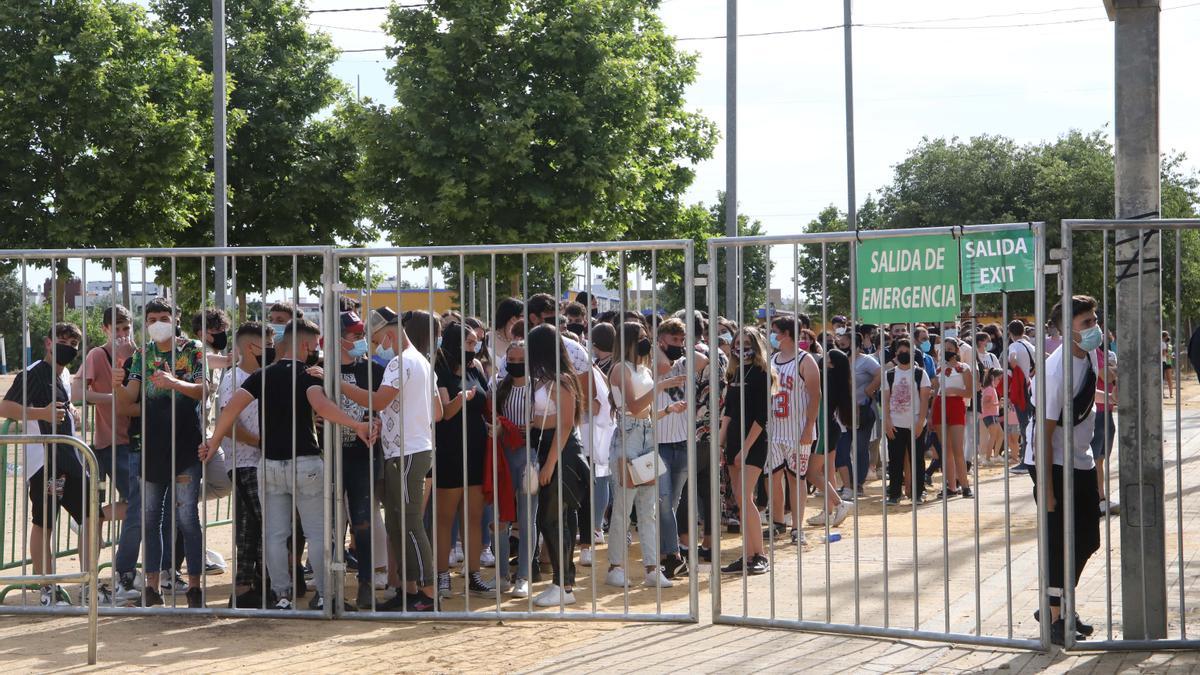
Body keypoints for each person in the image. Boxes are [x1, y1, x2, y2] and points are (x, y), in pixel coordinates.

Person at [200, 318, 377, 611]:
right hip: (306, 462)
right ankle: (325, 595)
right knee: (317, 535)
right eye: (316, 344)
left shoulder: (261, 375)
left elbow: (231, 408)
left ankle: (281, 595)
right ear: (307, 345)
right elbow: (321, 406)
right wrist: (356, 424)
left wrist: (213, 443)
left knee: (274, 535)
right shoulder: (309, 375)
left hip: (268, 464)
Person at [1, 323, 106, 606]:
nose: (68, 346)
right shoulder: (34, 373)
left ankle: (87, 583)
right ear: (48, 342)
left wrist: (72, 412)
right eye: (62, 340)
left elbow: (62, 408)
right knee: (44, 523)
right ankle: (47, 589)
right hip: (45, 463)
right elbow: (5, 407)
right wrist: (40, 412)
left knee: (92, 517)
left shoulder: (65, 374)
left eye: (73, 342)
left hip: (71, 460)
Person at [342, 316, 442, 612]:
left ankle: (427, 594)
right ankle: (409, 591)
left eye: (376, 340)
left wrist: (336, 383)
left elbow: (378, 400)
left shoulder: (401, 362)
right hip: (411, 448)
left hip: (407, 452)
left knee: (409, 524)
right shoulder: (422, 361)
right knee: (399, 524)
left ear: (388, 334)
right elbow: (435, 411)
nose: (375, 346)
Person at [113, 298, 208, 607]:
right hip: (152, 448)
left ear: (175, 318)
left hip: (185, 446)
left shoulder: (192, 349)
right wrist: (117, 383)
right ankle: (151, 588)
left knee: (186, 518)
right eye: (152, 318)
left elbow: (203, 389)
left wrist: (173, 381)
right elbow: (128, 400)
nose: (157, 323)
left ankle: (194, 586)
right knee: (150, 518)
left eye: (163, 317)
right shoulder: (143, 354)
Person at [1027, 295, 1103, 646]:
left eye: (1094, 320)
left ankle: (1056, 602)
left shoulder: (1087, 354)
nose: (1094, 328)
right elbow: (1044, 431)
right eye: (1086, 323)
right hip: (1051, 461)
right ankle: (1057, 619)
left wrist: (1108, 398)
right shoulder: (1055, 370)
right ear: (1066, 331)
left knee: (1088, 538)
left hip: (1079, 456)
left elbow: (1082, 400)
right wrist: (1048, 488)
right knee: (1059, 541)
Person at [606, 322, 684, 587]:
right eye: (640, 337)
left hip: (647, 434)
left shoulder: (644, 368)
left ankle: (652, 568)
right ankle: (615, 566)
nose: (645, 341)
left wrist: (667, 411)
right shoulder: (620, 368)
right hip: (627, 437)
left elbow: (646, 412)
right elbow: (633, 405)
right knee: (623, 507)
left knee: (649, 508)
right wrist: (662, 386)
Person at [80, 305, 143, 603]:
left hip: (138, 440)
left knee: (144, 505)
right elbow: (79, 391)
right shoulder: (97, 355)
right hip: (110, 443)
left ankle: (99, 515)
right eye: (116, 328)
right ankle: (121, 575)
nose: (121, 334)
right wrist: (115, 398)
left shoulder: (142, 354)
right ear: (105, 329)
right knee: (140, 504)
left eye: (125, 328)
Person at [525, 324, 591, 607]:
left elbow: (566, 424)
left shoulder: (561, 380)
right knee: (552, 520)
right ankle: (563, 583)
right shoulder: (547, 379)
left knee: (555, 520)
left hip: (561, 453)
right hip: (550, 449)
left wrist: (549, 464)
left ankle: (563, 584)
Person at [432, 322, 494, 599]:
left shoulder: (476, 368)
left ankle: (474, 575)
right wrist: (461, 399)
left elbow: (486, 401)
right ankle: (442, 575)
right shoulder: (439, 370)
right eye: (469, 343)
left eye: (476, 343)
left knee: (474, 516)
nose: (475, 347)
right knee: (445, 518)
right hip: (449, 450)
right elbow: (444, 413)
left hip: (477, 448)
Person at [331, 311, 388, 608]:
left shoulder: (374, 371)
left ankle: (366, 583)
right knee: (329, 523)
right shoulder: (319, 369)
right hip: (326, 457)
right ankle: (328, 589)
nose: (360, 341)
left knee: (363, 522)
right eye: (353, 336)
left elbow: (383, 408)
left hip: (362, 457)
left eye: (361, 335)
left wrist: (377, 421)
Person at [219, 322, 271, 608]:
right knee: (265, 522)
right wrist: (261, 442)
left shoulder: (261, 376)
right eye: (267, 344)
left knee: (251, 525)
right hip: (244, 462)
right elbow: (228, 424)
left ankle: (246, 587)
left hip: (255, 460)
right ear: (252, 347)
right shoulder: (234, 379)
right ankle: (261, 585)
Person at [719, 327, 775, 575]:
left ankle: (760, 554)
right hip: (733, 443)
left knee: (745, 497)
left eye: (746, 342)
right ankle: (749, 554)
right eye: (737, 342)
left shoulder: (762, 374)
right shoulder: (735, 373)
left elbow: (762, 418)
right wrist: (720, 445)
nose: (741, 347)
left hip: (753, 443)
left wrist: (744, 449)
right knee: (741, 501)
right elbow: (728, 413)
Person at [653, 318, 705, 579]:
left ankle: (665, 557)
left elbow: (703, 361)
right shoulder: (650, 363)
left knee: (671, 503)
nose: (679, 345)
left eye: (682, 340)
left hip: (684, 443)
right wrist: (659, 346)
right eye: (674, 340)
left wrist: (683, 347)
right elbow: (660, 366)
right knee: (662, 503)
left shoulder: (685, 362)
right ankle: (673, 555)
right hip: (659, 445)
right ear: (661, 340)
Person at [766, 316, 821, 545]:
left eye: (775, 331)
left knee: (796, 478)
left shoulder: (805, 360)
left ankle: (798, 528)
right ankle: (778, 522)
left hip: (797, 430)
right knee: (772, 477)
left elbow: (815, 396)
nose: (772, 335)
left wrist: (809, 427)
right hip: (775, 428)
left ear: (787, 333)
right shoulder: (773, 359)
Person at [490, 341, 537, 597]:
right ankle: (500, 575)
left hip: (529, 456)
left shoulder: (537, 387)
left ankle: (524, 576)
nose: (515, 363)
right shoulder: (498, 386)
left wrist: (531, 427)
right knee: (500, 517)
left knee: (527, 516)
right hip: (503, 455)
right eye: (512, 358)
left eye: (521, 359)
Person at [882, 338, 930, 505]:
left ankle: (918, 492)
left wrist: (920, 422)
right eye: (900, 352)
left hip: (915, 423)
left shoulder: (920, 373)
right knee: (895, 460)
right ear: (896, 353)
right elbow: (885, 400)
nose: (903, 354)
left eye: (907, 352)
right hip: (895, 424)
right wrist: (887, 422)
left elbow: (925, 400)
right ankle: (894, 494)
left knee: (917, 459)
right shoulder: (889, 374)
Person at [931, 336, 974, 499]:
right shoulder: (938, 368)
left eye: (950, 349)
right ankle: (950, 486)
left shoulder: (965, 368)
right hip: (940, 406)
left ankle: (965, 486)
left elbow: (970, 392)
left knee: (957, 448)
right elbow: (936, 391)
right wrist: (930, 415)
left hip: (956, 405)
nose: (947, 352)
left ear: (956, 350)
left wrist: (954, 390)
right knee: (945, 449)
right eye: (945, 349)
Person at [1092, 341, 1120, 516]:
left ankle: (1101, 497)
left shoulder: (1098, 351)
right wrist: (1117, 370)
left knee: (1100, 459)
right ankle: (1097, 498)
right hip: (1098, 411)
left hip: (1106, 409)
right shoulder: (1092, 352)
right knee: (1095, 459)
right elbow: (1106, 376)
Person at [1007, 320, 1037, 474]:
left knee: (1024, 424)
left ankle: (1026, 461)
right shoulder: (1030, 345)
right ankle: (1030, 457)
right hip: (1031, 387)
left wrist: (1013, 365)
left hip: (1021, 389)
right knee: (1030, 424)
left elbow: (1012, 359)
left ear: (1011, 333)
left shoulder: (1014, 346)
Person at [978, 368, 1004, 467]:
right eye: (999, 379)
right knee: (993, 436)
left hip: (992, 415)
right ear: (993, 378)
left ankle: (995, 456)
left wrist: (997, 404)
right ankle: (988, 459)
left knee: (1000, 435)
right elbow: (985, 403)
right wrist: (998, 404)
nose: (999, 381)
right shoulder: (989, 389)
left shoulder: (990, 388)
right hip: (990, 415)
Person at [1162, 331, 1175, 398]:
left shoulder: (1169, 346)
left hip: (1168, 363)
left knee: (1169, 378)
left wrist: (1170, 356)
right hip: (1164, 361)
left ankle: (1171, 394)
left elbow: (1169, 353)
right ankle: (1163, 393)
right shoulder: (1162, 344)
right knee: (1163, 378)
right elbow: (1165, 354)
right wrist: (1169, 355)